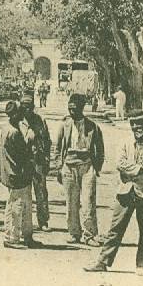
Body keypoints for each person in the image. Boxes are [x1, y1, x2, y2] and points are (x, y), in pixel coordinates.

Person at [85, 112, 143, 272]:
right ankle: (102, 262)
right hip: (125, 191)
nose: (137, 128)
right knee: (115, 228)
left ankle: (141, 265)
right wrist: (138, 170)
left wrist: (142, 147)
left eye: (140, 125)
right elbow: (120, 164)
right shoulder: (124, 143)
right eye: (134, 125)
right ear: (130, 126)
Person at [55, 93, 105, 245]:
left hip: (87, 166)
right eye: (69, 109)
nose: (71, 112)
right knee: (71, 202)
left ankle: (89, 235)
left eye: (75, 109)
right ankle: (73, 232)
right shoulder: (64, 125)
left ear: (82, 108)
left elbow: (100, 150)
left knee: (88, 201)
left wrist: (97, 168)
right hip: (69, 166)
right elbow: (58, 149)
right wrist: (59, 167)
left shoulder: (93, 127)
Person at [1, 103, 35, 249]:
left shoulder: (7, 128)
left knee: (20, 205)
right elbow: (22, 154)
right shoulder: (14, 132)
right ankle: (11, 238)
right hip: (17, 173)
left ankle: (24, 236)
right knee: (16, 207)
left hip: (14, 172)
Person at [21, 97, 52, 231]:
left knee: (41, 192)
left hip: (38, 160)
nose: (26, 108)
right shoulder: (18, 122)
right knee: (24, 193)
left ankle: (43, 221)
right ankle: (25, 222)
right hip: (24, 162)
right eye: (23, 106)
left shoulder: (40, 121)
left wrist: (47, 159)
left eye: (29, 106)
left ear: (33, 107)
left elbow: (47, 141)